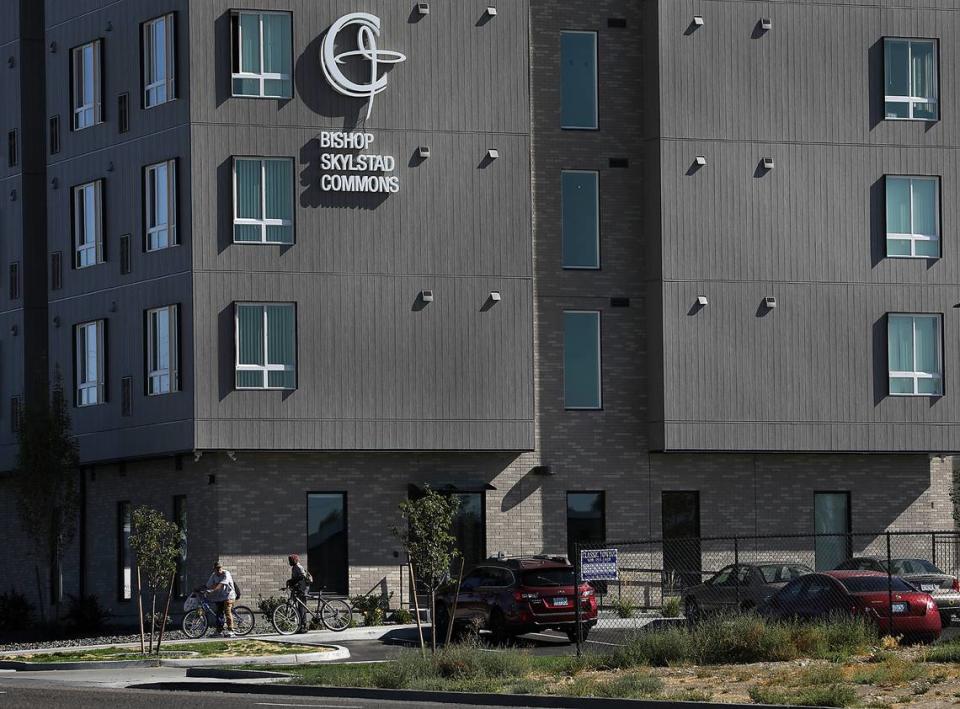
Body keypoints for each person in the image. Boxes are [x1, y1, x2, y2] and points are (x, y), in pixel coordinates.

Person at [206, 561, 237, 637]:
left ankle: (231, 630)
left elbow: (221, 584)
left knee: (227, 611)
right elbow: (208, 585)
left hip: (229, 595)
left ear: (222, 568)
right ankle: (219, 631)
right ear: (214, 569)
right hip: (220, 597)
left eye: (219, 568)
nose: (218, 570)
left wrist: (212, 590)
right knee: (219, 613)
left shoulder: (226, 573)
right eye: (216, 569)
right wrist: (199, 589)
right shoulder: (214, 575)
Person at [286, 554, 311, 633]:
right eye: (289, 560)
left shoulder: (298, 567)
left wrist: (292, 581)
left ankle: (304, 626)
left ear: (295, 560)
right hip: (299, 589)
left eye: (291, 560)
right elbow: (295, 579)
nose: (290, 562)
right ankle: (299, 626)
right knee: (296, 606)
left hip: (303, 589)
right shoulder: (294, 568)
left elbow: (302, 577)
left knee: (302, 607)